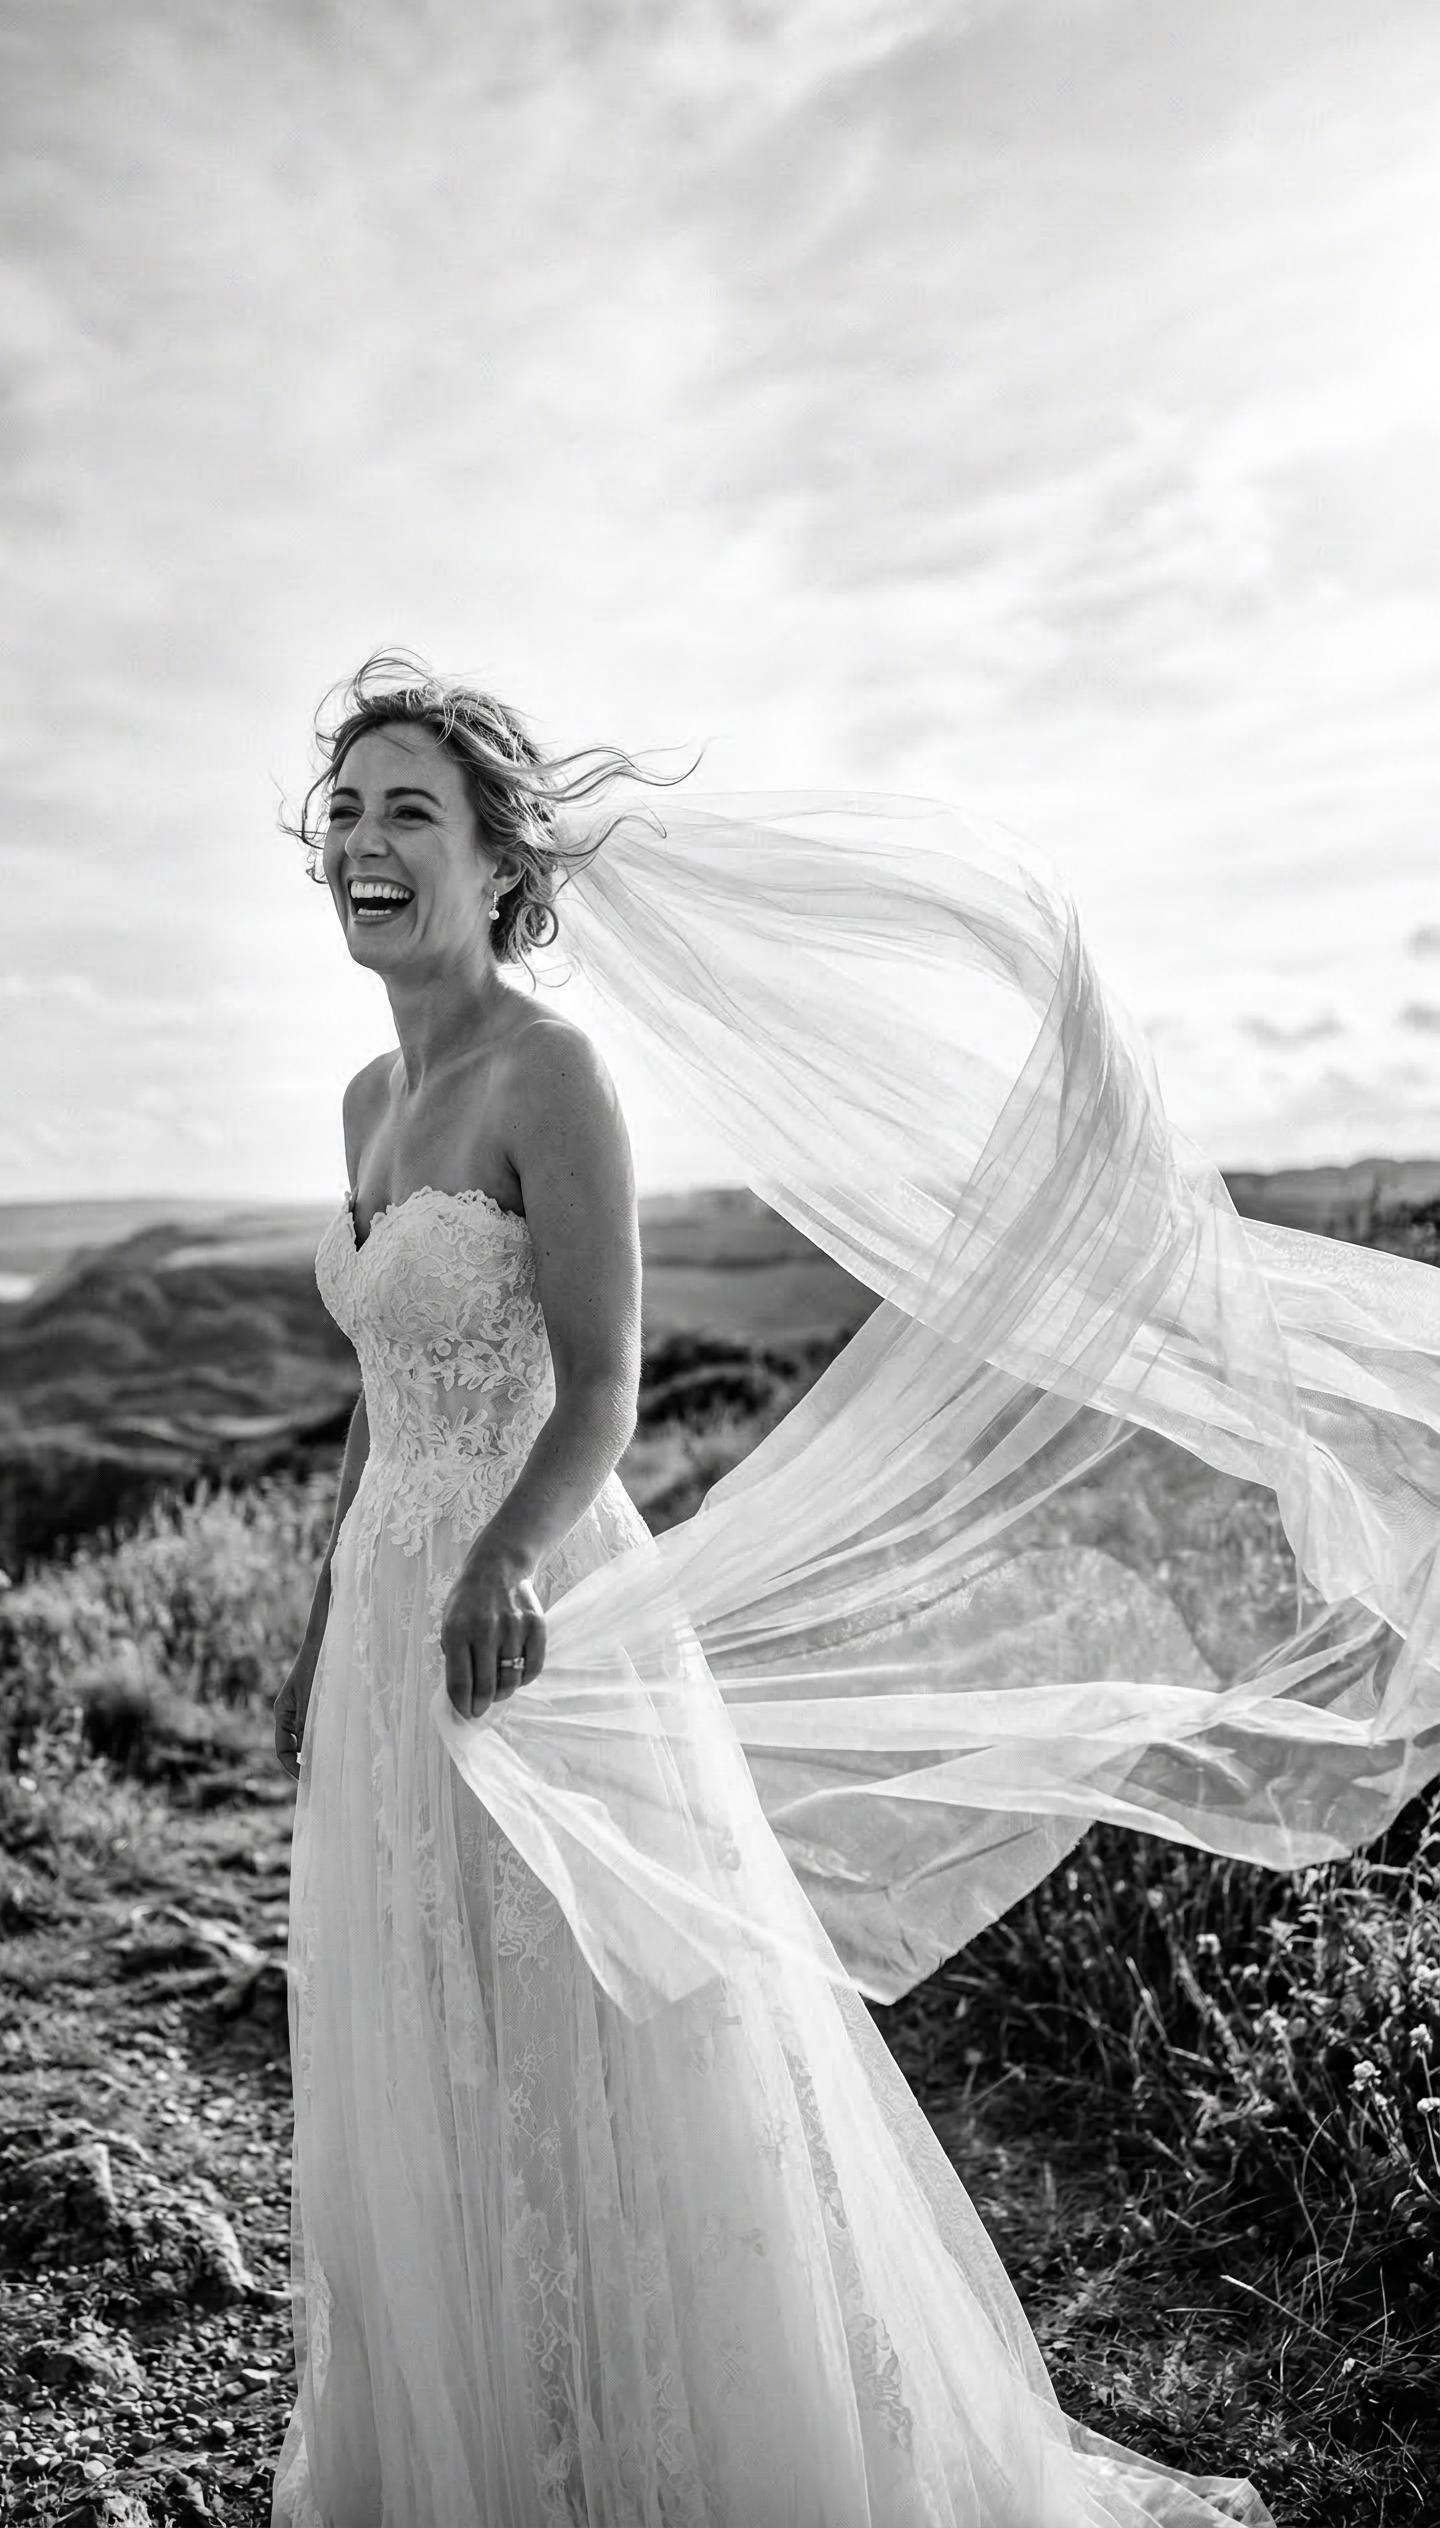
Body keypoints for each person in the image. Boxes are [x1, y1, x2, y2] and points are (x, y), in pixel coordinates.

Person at [265, 651, 1298, 2526]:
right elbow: (375, 1403)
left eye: (411, 809)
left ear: (502, 867)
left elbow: (604, 1386)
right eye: (346, 810)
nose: (365, 840)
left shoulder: (548, 1074)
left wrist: (498, 1556)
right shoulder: (359, 1100)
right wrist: (328, 1624)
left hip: (534, 1601)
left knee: (602, 2033)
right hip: (388, 1618)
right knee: (429, 2023)